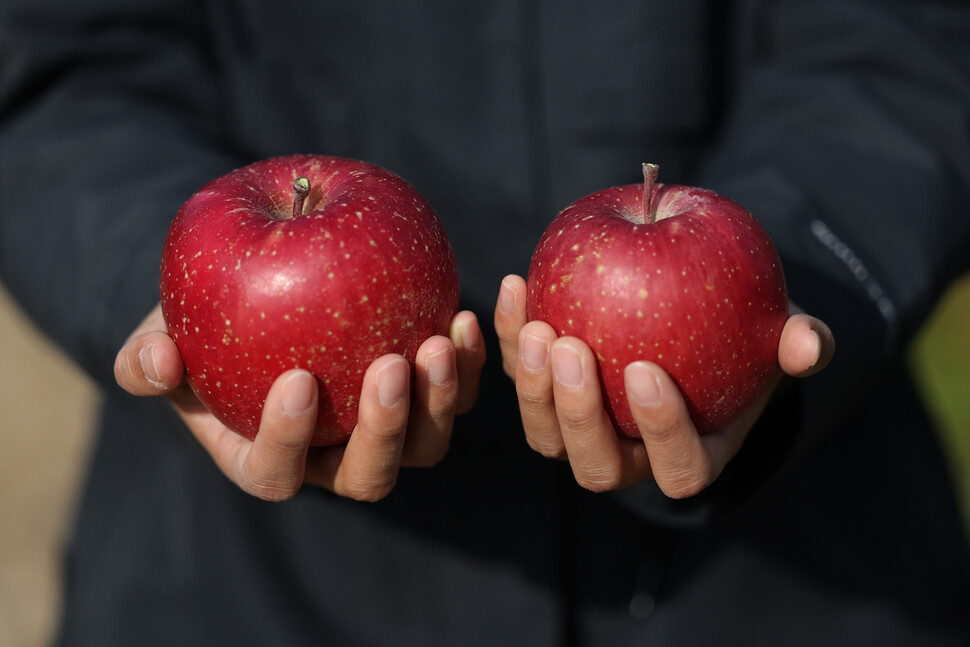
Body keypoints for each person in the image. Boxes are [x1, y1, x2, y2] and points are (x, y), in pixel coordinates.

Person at [1, 1, 968, 645]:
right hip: (247, 588)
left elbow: (907, 45)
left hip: (785, 578)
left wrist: (795, 270)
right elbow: (56, 66)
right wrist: (165, 290)